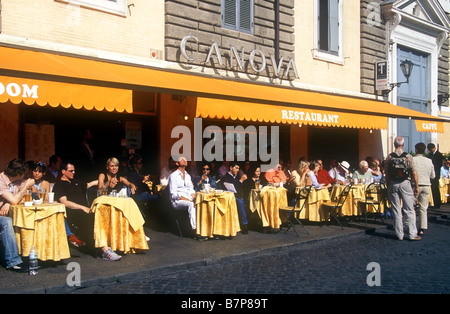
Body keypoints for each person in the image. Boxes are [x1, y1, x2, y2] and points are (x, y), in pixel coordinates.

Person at [53, 161, 122, 260]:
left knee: (106, 214)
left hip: (86, 210)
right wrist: (82, 207)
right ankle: (105, 251)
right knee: (93, 220)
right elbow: (65, 202)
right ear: (63, 171)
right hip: (72, 213)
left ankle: (114, 244)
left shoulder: (76, 181)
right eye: (71, 170)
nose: (73, 172)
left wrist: (107, 181)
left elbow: (90, 184)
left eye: (74, 170)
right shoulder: (59, 185)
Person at [0, 159, 35, 272]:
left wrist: (8, 203)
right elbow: (16, 200)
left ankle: (32, 255)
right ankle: (13, 261)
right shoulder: (1, 180)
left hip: (7, 211)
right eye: (23, 174)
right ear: (18, 174)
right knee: (7, 222)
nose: (24, 176)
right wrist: (13, 200)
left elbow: (28, 195)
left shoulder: (19, 181)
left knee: (30, 217)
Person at [385, 137, 420, 241]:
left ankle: (399, 234)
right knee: (409, 209)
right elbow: (414, 172)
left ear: (394, 144)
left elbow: (386, 173)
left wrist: (388, 185)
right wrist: (416, 185)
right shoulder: (408, 156)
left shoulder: (389, 157)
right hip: (405, 182)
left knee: (396, 209)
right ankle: (411, 233)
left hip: (393, 183)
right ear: (403, 144)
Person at [167, 156, 197, 232]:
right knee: (191, 204)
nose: (184, 160)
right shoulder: (173, 176)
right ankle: (195, 230)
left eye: (185, 159)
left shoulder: (188, 176)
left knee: (200, 202)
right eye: (182, 160)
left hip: (188, 197)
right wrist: (189, 200)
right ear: (177, 163)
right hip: (177, 201)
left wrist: (195, 198)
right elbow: (174, 194)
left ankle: (203, 228)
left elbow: (191, 190)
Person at [219, 161, 249, 234]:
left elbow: (239, 188)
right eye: (236, 168)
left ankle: (248, 223)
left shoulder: (235, 177)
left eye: (239, 168)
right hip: (230, 198)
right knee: (240, 202)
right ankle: (244, 224)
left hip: (237, 196)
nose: (238, 170)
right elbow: (234, 189)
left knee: (247, 200)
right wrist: (241, 180)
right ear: (231, 168)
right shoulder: (226, 177)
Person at [413, 142, 435, 236]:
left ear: (416, 150)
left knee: (412, 207)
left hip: (415, 185)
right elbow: (433, 176)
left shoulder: (413, 160)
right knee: (423, 208)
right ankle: (422, 228)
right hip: (426, 185)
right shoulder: (429, 161)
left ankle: (412, 226)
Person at [428, 143, 444, 209]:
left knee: (436, 189)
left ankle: (437, 203)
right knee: (433, 189)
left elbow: (439, 164)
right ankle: (435, 203)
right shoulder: (430, 155)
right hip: (431, 174)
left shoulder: (439, 155)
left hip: (436, 174)